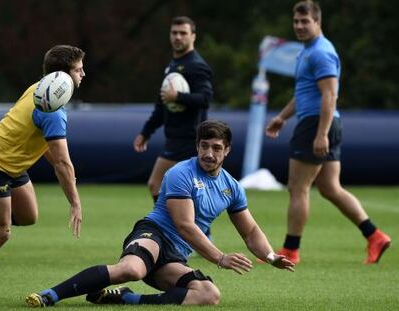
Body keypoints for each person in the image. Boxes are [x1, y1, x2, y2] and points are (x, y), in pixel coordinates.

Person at [25, 120, 294, 307]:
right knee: (131, 268)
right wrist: (220, 258)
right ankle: (50, 295)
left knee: (208, 294)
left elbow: (250, 231)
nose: (209, 153)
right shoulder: (181, 173)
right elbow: (185, 226)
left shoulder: (232, 187)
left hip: (174, 255)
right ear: (197, 146)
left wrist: (271, 257)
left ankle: (126, 299)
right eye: (204, 146)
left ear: (227, 151)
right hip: (153, 235)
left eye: (216, 148)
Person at [264, 1, 390, 265]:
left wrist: (321, 134)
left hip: (317, 125)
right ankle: (374, 235)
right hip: (320, 123)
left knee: (298, 189)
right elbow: (304, 94)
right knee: (331, 188)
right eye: (296, 21)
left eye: (305, 21)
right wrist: (281, 117)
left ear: (318, 22)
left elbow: (329, 94)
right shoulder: (307, 51)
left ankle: (290, 250)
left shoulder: (321, 52)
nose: (299, 26)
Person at [0, 45, 85, 267]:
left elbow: (47, 146)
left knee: (28, 215)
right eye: (78, 70)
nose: (83, 74)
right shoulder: (53, 112)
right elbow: (62, 163)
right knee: (0, 233)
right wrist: (75, 202)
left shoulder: (38, 88)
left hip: (12, 165)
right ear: (63, 76)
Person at [133, 16, 213, 203]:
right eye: (174, 33)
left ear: (193, 36)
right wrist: (146, 132)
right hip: (175, 138)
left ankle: (175, 228)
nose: (178, 37)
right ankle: (187, 229)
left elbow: (205, 98)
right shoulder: (173, 65)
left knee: (157, 184)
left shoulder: (197, 66)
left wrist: (178, 96)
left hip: (188, 138)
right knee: (183, 191)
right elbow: (162, 105)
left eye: (183, 33)